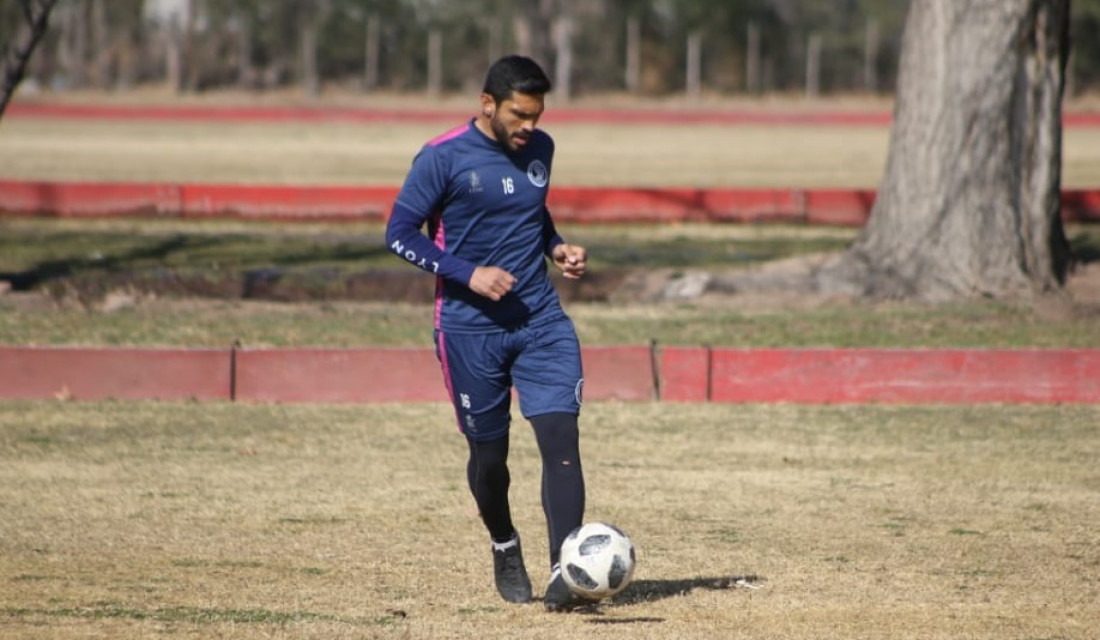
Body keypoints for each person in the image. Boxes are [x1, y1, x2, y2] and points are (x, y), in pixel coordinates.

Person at [384, 55, 592, 612]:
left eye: (537, 115)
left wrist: (557, 248)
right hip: (468, 330)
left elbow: (532, 213)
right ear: (488, 105)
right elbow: (398, 233)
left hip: (540, 322)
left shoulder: (541, 149)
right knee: (490, 459)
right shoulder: (441, 157)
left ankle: (564, 573)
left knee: (561, 443)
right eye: (520, 115)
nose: (530, 126)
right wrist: (466, 273)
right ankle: (504, 544)